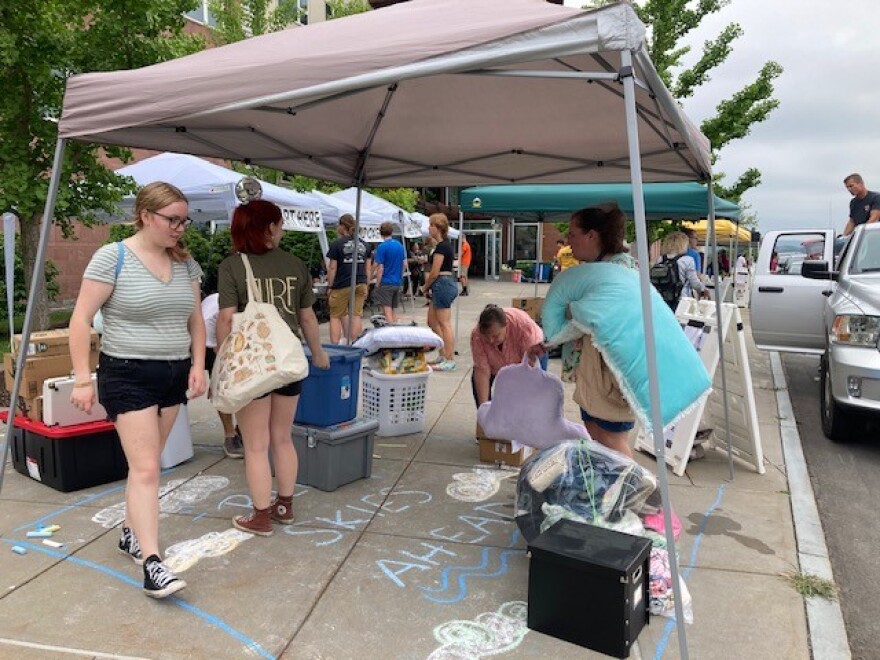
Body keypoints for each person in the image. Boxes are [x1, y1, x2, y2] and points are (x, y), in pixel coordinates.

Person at [69, 181, 207, 599]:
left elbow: (196, 321)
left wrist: (199, 366)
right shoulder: (113, 258)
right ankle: (152, 562)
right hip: (126, 372)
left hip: (172, 373)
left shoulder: (185, 264)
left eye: (184, 220)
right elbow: (80, 319)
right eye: (172, 220)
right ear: (146, 216)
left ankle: (130, 533)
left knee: (146, 466)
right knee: (147, 469)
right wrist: (80, 378)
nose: (180, 228)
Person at [216, 200, 329, 537]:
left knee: (254, 445)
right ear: (267, 228)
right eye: (278, 224)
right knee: (283, 438)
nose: (281, 229)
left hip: (252, 365)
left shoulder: (232, 266)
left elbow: (225, 319)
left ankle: (261, 516)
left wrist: (223, 364)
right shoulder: (296, 264)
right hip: (288, 361)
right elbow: (308, 316)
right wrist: (319, 353)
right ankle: (285, 506)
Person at [529, 204, 636, 457]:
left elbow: (590, 320)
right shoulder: (598, 269)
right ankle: (609, 490)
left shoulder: (619, 270)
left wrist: (553, 336)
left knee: (611, 437)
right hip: (593, 369)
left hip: (610, 369)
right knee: (596, 435)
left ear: (592, 235)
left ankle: (632, 491)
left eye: (573, 234)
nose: (568, 241)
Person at [471, 304, 545, 407]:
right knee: (479, 390)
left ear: (506, 325)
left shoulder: (524, 327)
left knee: (529, 400)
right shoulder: (477, 335)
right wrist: (483, 410)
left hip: (529, 358)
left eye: (495, 336)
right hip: (495, 363)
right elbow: (482, 370)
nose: (491, 341)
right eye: (487, 337)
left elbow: (529, 370)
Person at [201, 291, 243, 458]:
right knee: (222, 386)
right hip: (210, 345)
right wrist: (216, 377)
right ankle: (230, 435)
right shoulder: (209, 319)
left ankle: (243, 429)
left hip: (235, 336)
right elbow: (217, 352)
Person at [326, 213, 369, 344]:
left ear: (342, 226)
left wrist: (330, 286)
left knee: (335, 316)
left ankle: (335, 346)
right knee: (356, 315)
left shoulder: (337, 244)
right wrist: (367, 284)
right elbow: (368, 267)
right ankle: (355, 344)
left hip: (342, 283)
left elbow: (332, 268)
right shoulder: (364, 244)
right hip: (361, 282)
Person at [424, 213, 458, 371]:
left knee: (444, 323)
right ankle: (443, 354)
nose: (428, 228)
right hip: (442, 284)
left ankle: (450, 359)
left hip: (442, 283)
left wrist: (425, 286)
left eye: (431, 225)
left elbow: (434, 271)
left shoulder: (442, 247)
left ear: (438, 228)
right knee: (432, 321)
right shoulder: (442, 245)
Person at [658, 231, 707, 308]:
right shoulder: (687, 260)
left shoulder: (661, 259)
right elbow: (694, 283)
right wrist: (703, 289)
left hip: (662, 300)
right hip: (681, 300)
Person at [372, 221, 406, 323]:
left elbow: (380, 267)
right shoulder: (399, 245)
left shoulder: (382, 247)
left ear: (380, 233)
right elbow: (404, 264)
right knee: (393, 309)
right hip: (396, 281)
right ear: (392, 232)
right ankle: (395, 328)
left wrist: (377, 283)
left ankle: (391, 332)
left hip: (386, 282)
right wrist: (400, 276)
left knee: (386, 310)